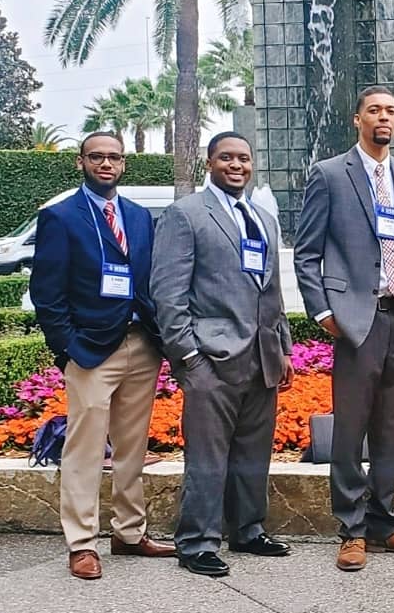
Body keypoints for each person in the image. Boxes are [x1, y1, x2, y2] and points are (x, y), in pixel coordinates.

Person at [294, 86, 394, 571]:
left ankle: (385, 522)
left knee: (390, 429)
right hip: (356, 321)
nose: (384, 117)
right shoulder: (330, 175)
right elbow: (307, 252)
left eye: (392, 111)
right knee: (350, 430)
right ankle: (351, 529)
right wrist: (322, 311)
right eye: (375, 110)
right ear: (357, 118)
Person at [30, 131, 175, 579]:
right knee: (85, 448)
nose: (106, 164)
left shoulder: (137, 216)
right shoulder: (59, 217)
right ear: (81, 163)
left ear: (124, 164)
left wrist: (158, 336)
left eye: (113, 157)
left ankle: (129, 533)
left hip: (141, 344)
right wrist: (67, 350)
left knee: (133, 447)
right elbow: (47, 294)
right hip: (91, 349)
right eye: (97, 157)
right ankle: (81, 543)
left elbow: (148, 279)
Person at [152, 131, 295, 578]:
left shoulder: (263, 219)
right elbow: (168, 294)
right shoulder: (186, 214)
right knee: (208, 457)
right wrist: (188, 359)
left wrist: (283, 349)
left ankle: (248, 530)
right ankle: (197, 541)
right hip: (210, 360)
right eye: (226, 158)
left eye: (244, 159)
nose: (237, 165)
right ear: (208, 163)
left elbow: (271, 292)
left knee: (254, 452)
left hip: (261, 356)